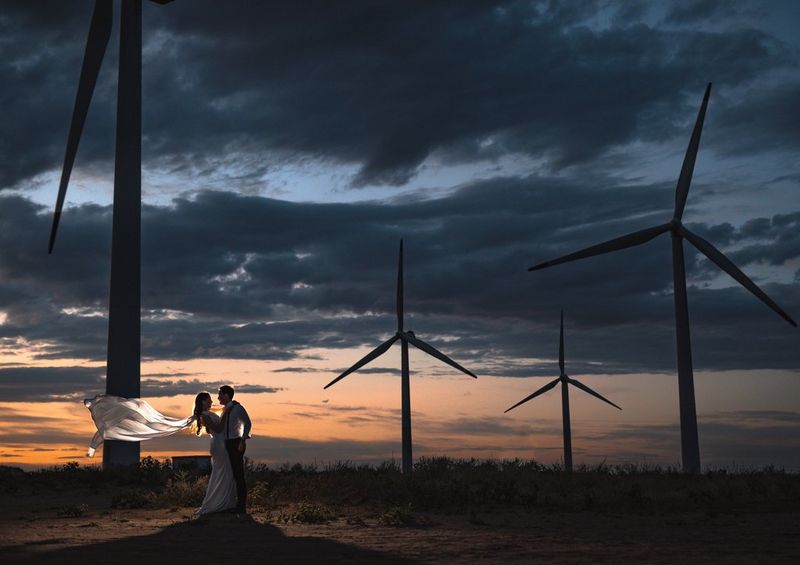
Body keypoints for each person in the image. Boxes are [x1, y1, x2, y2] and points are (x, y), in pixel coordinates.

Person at [193, 392, 237, 515]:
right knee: (222, 471)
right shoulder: (204, 416)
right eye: (209, 400)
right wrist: (226, 413)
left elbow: (210, 429)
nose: (211, 402)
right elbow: (218, 429)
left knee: (225, 471)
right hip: (219, 444)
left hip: (220, 442)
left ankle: (226, 502)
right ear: (203, 401)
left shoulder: (207, 414)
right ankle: (218, 503)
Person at [217, 385, 252, 514]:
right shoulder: (225, 409)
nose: (218, 397)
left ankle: (241, 506)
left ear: (226, 395)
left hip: (236, 442)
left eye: (220, 394)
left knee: (238, 474)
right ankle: (230, 502)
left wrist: (243, 440)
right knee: (230, 474)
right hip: (226, 443)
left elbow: (248, 423)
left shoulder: (238, 408)